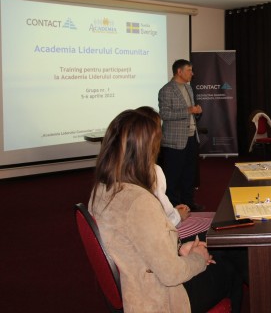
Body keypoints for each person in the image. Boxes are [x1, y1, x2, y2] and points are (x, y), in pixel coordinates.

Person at [89, 109, 243, 312]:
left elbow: (139, 245)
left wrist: (180, 250)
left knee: (220, 250)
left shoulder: (101, 190)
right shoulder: (139, 202)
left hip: (137, 284)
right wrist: (198, 258)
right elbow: (171, 275)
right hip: (161, 298)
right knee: (230, 267)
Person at [136, 106, 213, 241]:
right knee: (214, 225)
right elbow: (163, 223)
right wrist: (178, 215)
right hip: (162, 238)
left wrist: (173, 211)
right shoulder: (153, 172)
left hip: (141, 236)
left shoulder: (109, 176)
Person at [159, 59, 203, 211]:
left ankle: (189, 203)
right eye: (189, 70)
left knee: (189, 174)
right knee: (173, 176)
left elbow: (191, 113)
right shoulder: (166, 90)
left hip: (191, 138)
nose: (192, 73)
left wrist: (197, 112)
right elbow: (165, 114)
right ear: (179, 71)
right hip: (174, 141)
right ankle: (174, 207)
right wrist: (189, 110)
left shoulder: (188, 88)